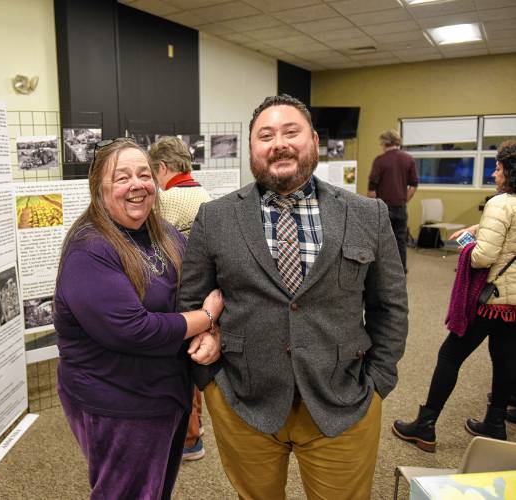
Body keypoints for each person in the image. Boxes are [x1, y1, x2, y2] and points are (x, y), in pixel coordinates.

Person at [178, 94, 409, 499]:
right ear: (252, 149)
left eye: (291, 132)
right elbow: (191, 301)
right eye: (265, 135)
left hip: (343, 401)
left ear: (314, 141)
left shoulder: (366, 215)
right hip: (244, 402)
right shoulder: (215, 219)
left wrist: (378, 383)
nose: (278, 143)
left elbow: (389, 305)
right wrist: (210, 382)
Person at [53, 137, 224, 499]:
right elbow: (134, 329)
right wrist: (207, 317)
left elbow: (200, 283)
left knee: (155, 489)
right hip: (119, 400)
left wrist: (213, 332)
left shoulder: (162, 232)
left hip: (164, 392)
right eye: (122, 177)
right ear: (98, 188)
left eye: (144, 175)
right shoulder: (90, 249)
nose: (137, 185)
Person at [393, 139, 516, 450]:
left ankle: (425, 425)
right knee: (504, 359)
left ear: (510, 171)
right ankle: (495, 423)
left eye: (498, 168)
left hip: (490, 298)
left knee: (450, 355)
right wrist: (480, 227)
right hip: (513, 301)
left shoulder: (501, 204)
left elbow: (483, 258)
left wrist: (467, 247)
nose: (494, 174)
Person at [149, 136, 213, 461]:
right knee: (195, 358)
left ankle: (189, 440)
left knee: (179, 366)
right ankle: (195, 432)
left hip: (177, 291)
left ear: (162, 167)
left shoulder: (169, 199)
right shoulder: (205, 193)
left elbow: (154, 246)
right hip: (203, 291)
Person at [368, 129, 418, 273]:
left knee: (381, 240)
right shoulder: (409, 159)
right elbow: (414, 185)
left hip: (382, 207)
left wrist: (374, 207)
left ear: (384, 142)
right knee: (400, 239)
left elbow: (372, 188)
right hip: (401, 206)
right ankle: (401, 269)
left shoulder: (380, 160)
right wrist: (404, 199)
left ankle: (383, 270)